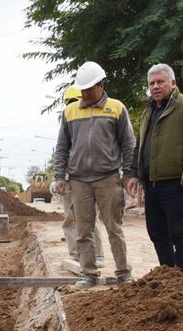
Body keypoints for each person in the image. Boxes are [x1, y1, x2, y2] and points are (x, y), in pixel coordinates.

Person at [53, 61, 137, 288]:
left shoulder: (116, 108)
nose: (86, 93)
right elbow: (62, 147)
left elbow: (128, 143)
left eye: (89, 89)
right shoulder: (69, 112)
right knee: (83, 231)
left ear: (101, 85)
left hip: (108, 178)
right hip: (79, 181)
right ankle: (88, 274)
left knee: (114, 229)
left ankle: (123, 273)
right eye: (82, 89)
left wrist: (128, 174)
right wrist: (59, 176)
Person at [131, 63, 183, 274]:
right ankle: (169, 275)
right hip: (152, 183)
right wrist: (134, 174)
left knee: (177, 232)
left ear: (172, 83)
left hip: (177, 181)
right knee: (156, 232)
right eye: (152, 83)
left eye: (160, 82)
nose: (155, 86)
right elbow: (140, 145)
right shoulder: (149, 110)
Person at [58, 85, 107, 269]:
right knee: (70, 217)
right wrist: (59, 176)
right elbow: (61, 151)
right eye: (69, 102)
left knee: (89, 216)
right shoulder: (67, 121)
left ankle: (98, 254)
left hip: (88, 177)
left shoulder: (92, 121)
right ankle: (75, 254)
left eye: (75, 101)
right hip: (71, 177)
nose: (73, 106)